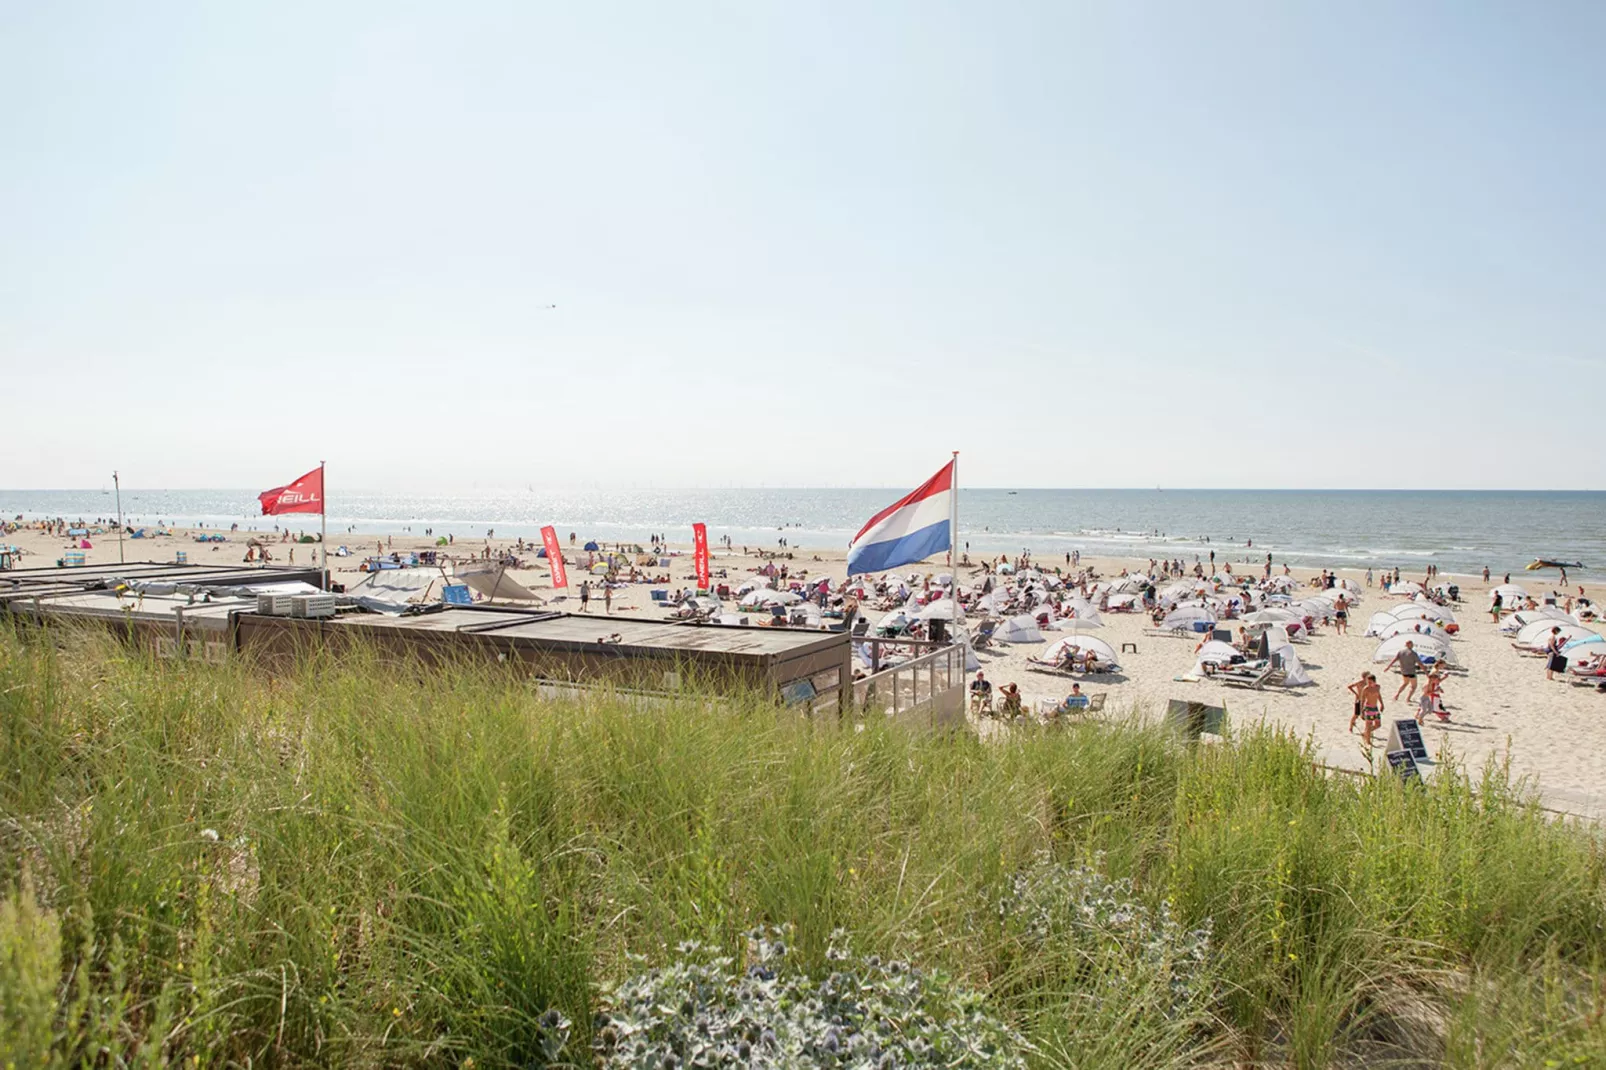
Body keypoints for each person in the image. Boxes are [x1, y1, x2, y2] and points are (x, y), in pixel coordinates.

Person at [1358, 672, 1384, 747]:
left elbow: (1379, 695)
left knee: (1378, 724)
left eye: (1370, 682)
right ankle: (1368, 742)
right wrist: (1361, 711)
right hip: (1368, 708)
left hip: (1375, 708)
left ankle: (1366, 733)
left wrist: (1382, 704)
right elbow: (1362, 700)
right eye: (1367, 682)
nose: (1368, 683)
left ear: (1374, 681)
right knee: (1368, 725)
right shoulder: (1366, 689)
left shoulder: (1378, 687)